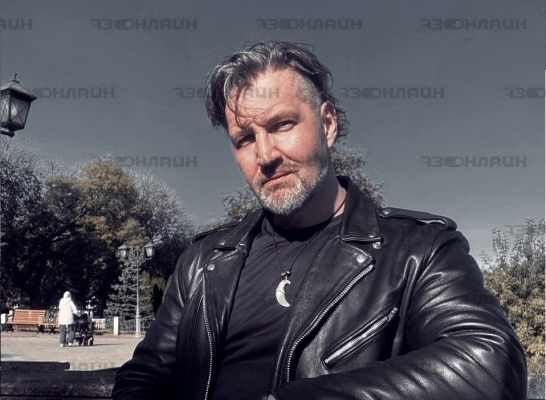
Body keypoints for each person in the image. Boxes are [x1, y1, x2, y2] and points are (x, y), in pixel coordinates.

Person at [113, 41, 526, 399]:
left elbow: (490, 362)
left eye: (282, 125)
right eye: (245, 139)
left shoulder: (418, 249)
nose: (265, 155)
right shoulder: (203, 261)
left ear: (327, 124)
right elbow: (146, 375)